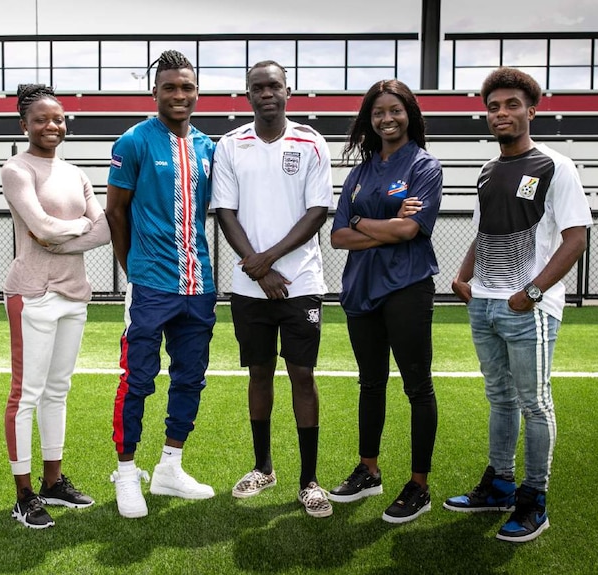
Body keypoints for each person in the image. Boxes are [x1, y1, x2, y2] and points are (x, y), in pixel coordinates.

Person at [443, 67, 592, 542]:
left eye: (511, 105)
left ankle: (534, 500)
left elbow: (576, 238)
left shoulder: (555, 166)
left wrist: (531, 293)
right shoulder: (488, 171)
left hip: (528, 306)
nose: (501, 113)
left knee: (534, 401)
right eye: (493, 106)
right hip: (484, 304)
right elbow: (485, 232)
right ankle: (500, 485)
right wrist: (464, 277)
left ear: (532, 110)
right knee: (500, 398)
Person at [211, 61, 334, 518]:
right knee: (258, 373)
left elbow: (317, 210)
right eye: (258, 87)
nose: (267, 93)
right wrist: (258, 270)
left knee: (303, 376)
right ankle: (263, 467)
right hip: (249, 289)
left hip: (300, 283)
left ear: (288, 91)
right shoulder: (231, 144)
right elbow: (225, 211)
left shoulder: (310, 141)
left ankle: (309, 480)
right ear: (247, 94)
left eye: (274, 86)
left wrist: (270, 259)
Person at [105, 50, 217, 519]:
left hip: (200, 284)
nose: (179, 95)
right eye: (169, 87)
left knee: (190, 378)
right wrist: (134, 269)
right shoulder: (133, 142)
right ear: (154, 92)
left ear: (196, 92)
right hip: (151, 283)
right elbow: (115, 210)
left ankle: (171, 466)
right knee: (139, 379)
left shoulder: (209, 146)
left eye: (186, 87)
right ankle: (127, 473)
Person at [328, 79, 443, 524]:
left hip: (407, 287)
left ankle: (419, 485)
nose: (387, 119)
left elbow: (408, 232)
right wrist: (377, 221)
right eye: (378, 112)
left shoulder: (425, 167)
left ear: (409, 114)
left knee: (417, 386)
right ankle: (369, 470)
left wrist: (364, 224)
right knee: (371, 383)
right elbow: (338, 237)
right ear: (369, 119)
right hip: (361, 290)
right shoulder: (358, 174)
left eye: (395, 110)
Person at [1, 84, 111, 529]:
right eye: (42, 119)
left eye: (59, 118)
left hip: (73, 293)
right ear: (24, 124)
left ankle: (52, 483)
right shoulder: (15, 169)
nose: (53, 126)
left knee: (58, 391)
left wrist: (62, 238)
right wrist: (76, 225)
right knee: (25, 394)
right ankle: (23, 495)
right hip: (31, 293)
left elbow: (102, 231)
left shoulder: (76, 172)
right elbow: (38, 224)